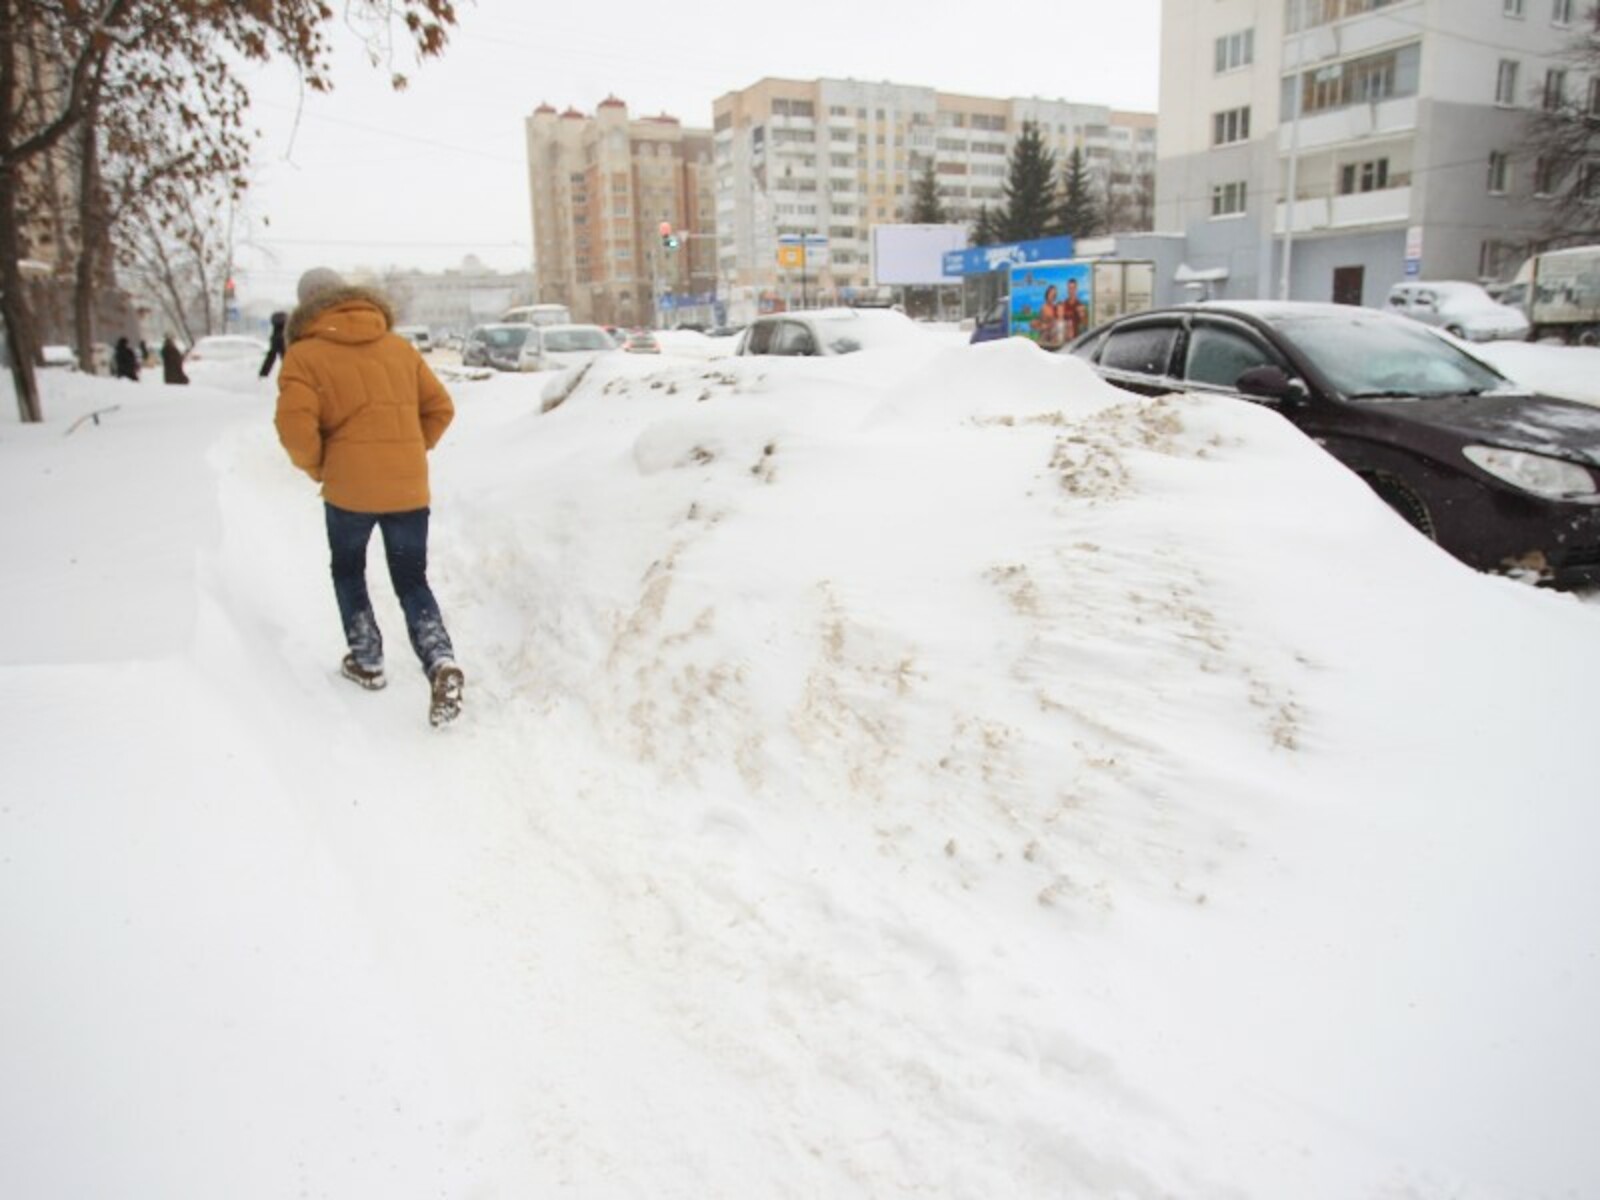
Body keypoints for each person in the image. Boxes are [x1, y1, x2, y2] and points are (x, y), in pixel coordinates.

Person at [273, 267, 465, 727]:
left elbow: (294, 430)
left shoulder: (303, 355)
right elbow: (440, 408)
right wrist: (409, 449)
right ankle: (440, 659)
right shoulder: (398, 348)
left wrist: (322, 466)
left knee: (348, 570)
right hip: (407, 488)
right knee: (411, 579)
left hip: (349, 492)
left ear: (305, 306)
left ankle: (367, 659)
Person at [259, 310, 287, 378]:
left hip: (289, 365)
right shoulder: (289, 333)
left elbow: (271, 355)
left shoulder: (275, 336)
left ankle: (264, 374)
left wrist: (264, 372)